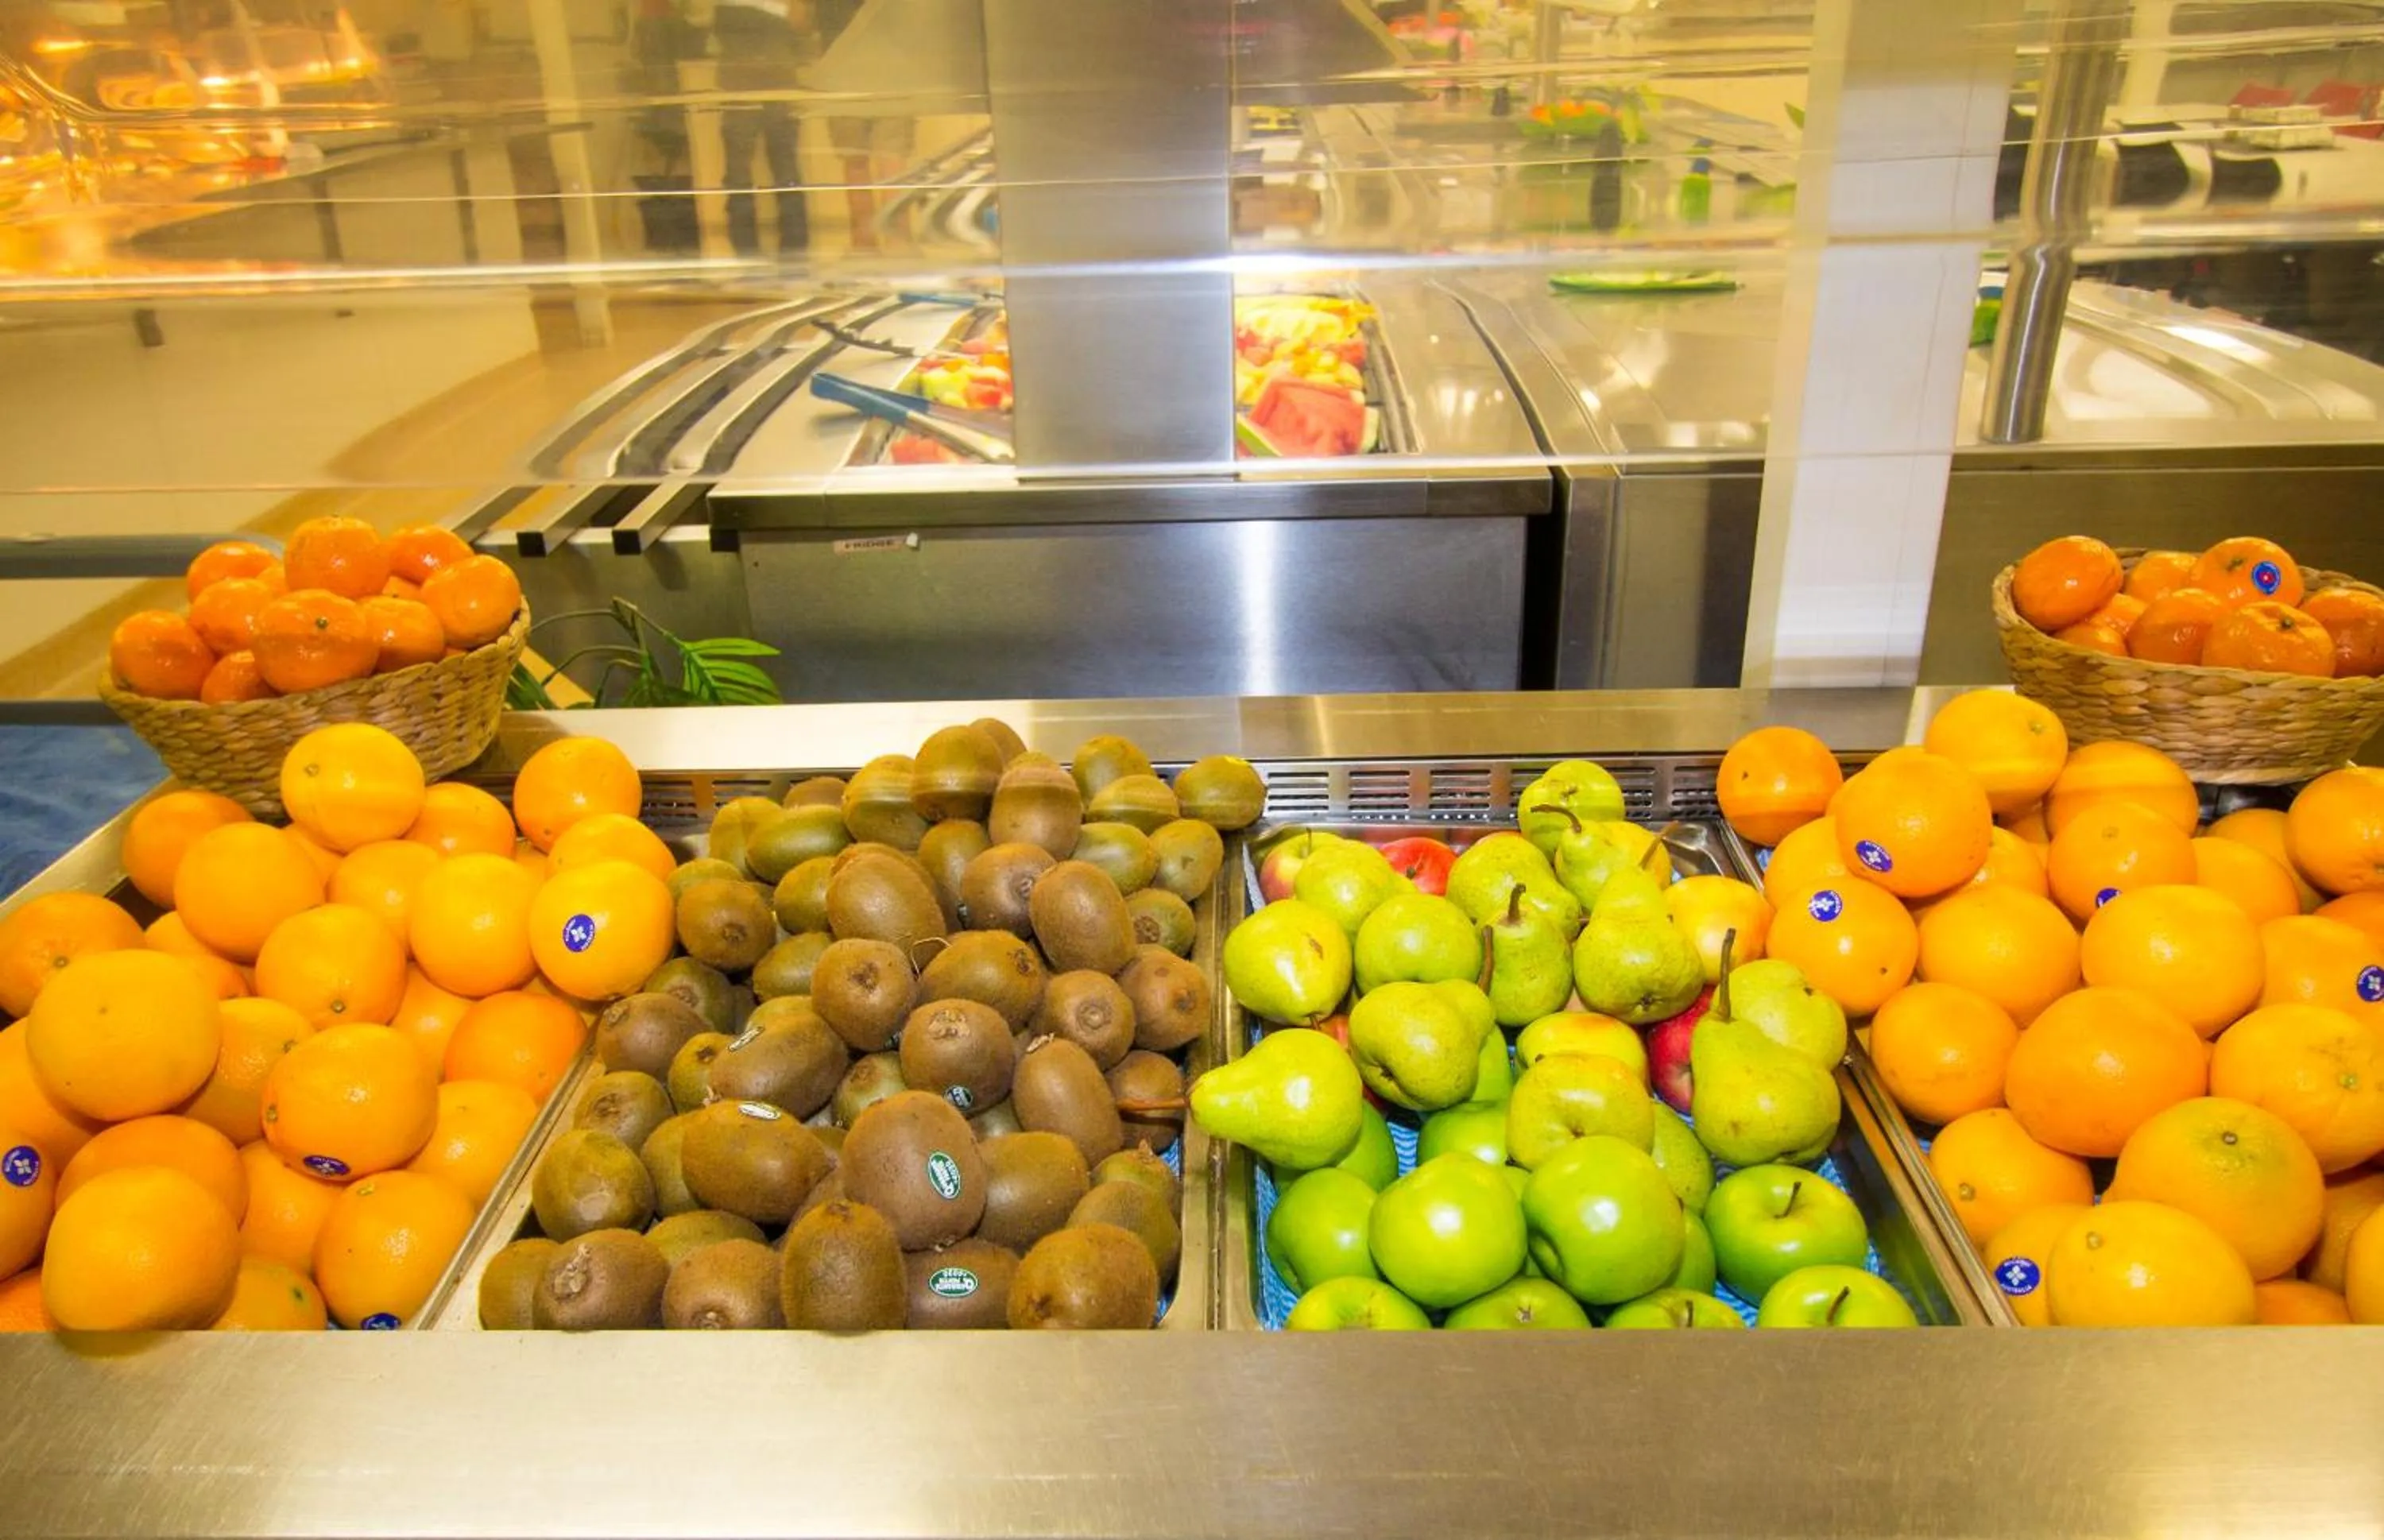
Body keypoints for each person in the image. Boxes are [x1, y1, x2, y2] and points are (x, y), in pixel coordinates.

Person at [713, 0, 807, 255]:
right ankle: (764, 256)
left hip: (762, 82)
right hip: (750, 83)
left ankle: (781, 256)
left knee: (774, 171)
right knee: (751, 173)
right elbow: (799, 21)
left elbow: (800, 20)